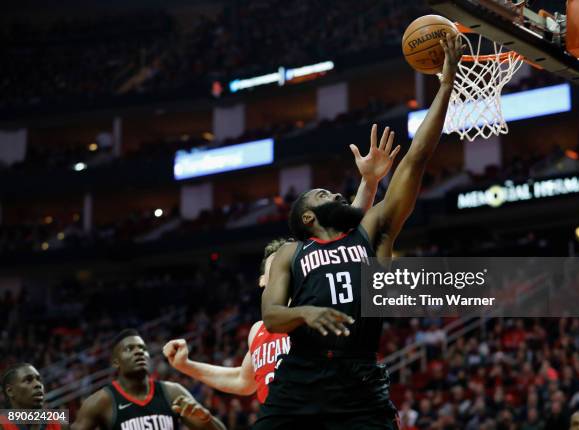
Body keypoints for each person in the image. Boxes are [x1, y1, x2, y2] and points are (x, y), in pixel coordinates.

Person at [255, 33, 464, 429]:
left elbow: (416, 158)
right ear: (306, 218)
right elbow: (272, 317)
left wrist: (447, 85)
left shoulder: (372, 232)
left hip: (360, 382)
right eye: (322, 194)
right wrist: (305, 312)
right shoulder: (291, 253)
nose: (334, 192)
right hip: (300, 381)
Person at [162, 140, 400, 403]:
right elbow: (243, 381)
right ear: (265, 279)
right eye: (278, 265)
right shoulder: (258, 330)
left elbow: (345, 231)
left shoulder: (319, 307)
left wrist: (369, 183)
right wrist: (186, 366)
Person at [71, 329, 225, 430]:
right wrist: (48, 415)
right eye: (129, 349)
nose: (139, 352)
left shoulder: (172, 392)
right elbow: (66, 422)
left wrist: (206, 418)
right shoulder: (102, 401)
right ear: (115, 362)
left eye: (143, 348)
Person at [1, 363, 64, 430]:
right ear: (10, 391)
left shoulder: (59, 423)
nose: (38, 384)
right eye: (28, 380)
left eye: (39, 380)